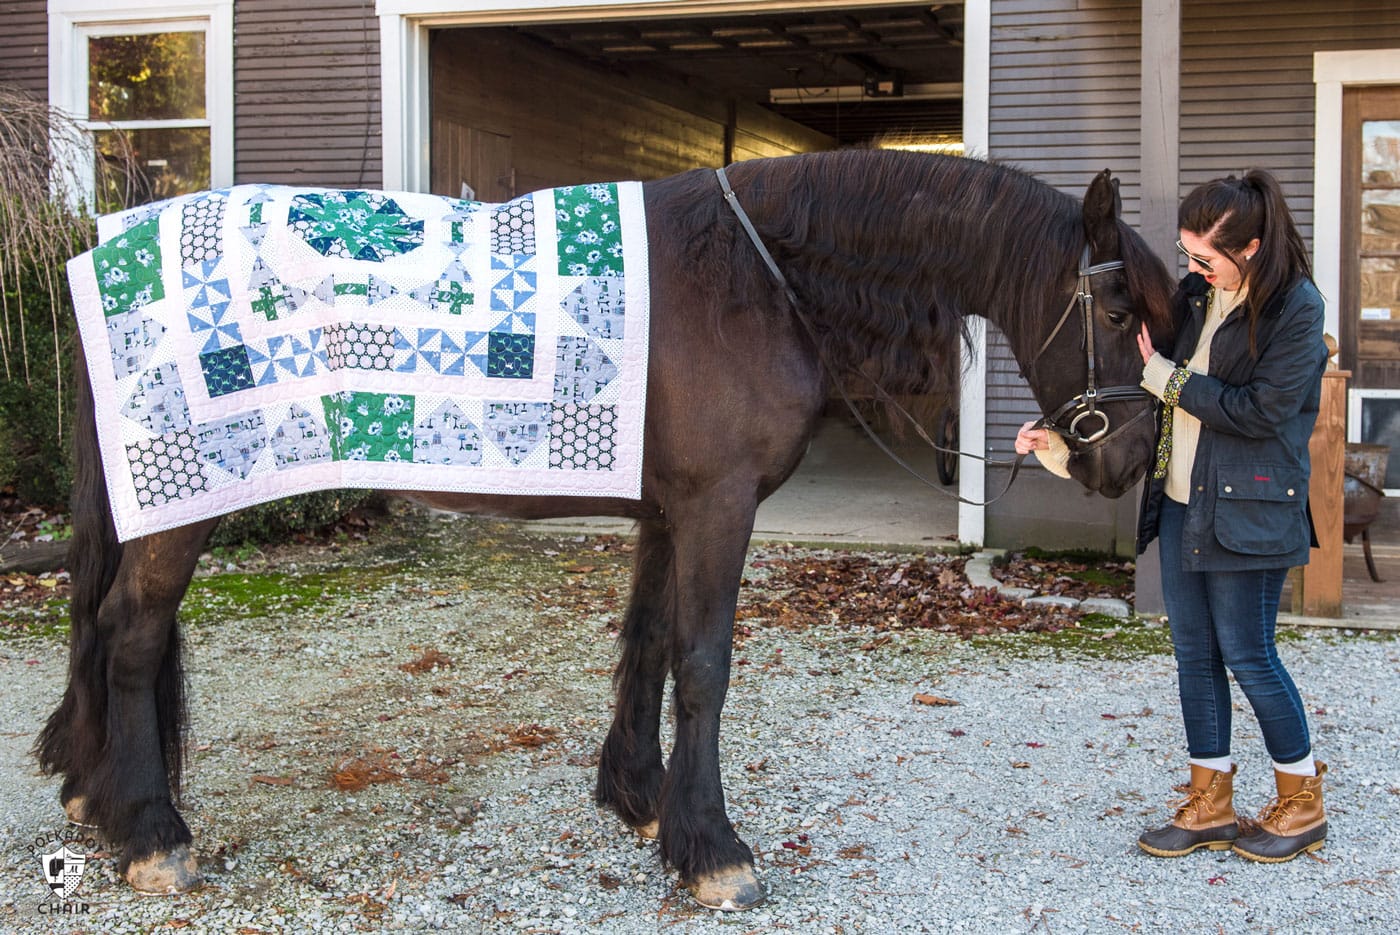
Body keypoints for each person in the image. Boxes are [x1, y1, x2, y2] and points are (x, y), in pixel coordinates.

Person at [1016, 169, 1329, 864]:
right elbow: (1139, 386)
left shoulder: (1298, 310)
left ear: (1249, 248)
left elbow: (1259, 412)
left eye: (1204, 257)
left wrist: (1169, 378)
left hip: (1251, 511)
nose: (1192, 269)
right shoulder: (1198, 298)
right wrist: (1061, 438)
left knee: (1249, 655)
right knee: (1194, 655)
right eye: (1187, 254)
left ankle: (1302, 800)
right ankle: (1210, 800)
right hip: (1184, 502)